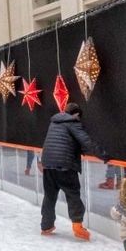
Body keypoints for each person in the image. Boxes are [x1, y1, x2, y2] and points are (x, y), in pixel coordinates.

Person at [38, 102, 105, 240]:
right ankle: (77, 226)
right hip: (65, 165)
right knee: (73, 195)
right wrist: (104, 155)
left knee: (49, 196)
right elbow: (86, 141)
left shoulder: (54, 122)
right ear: (76, 114)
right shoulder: (73, 122)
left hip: (49, 165)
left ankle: (46, 226)